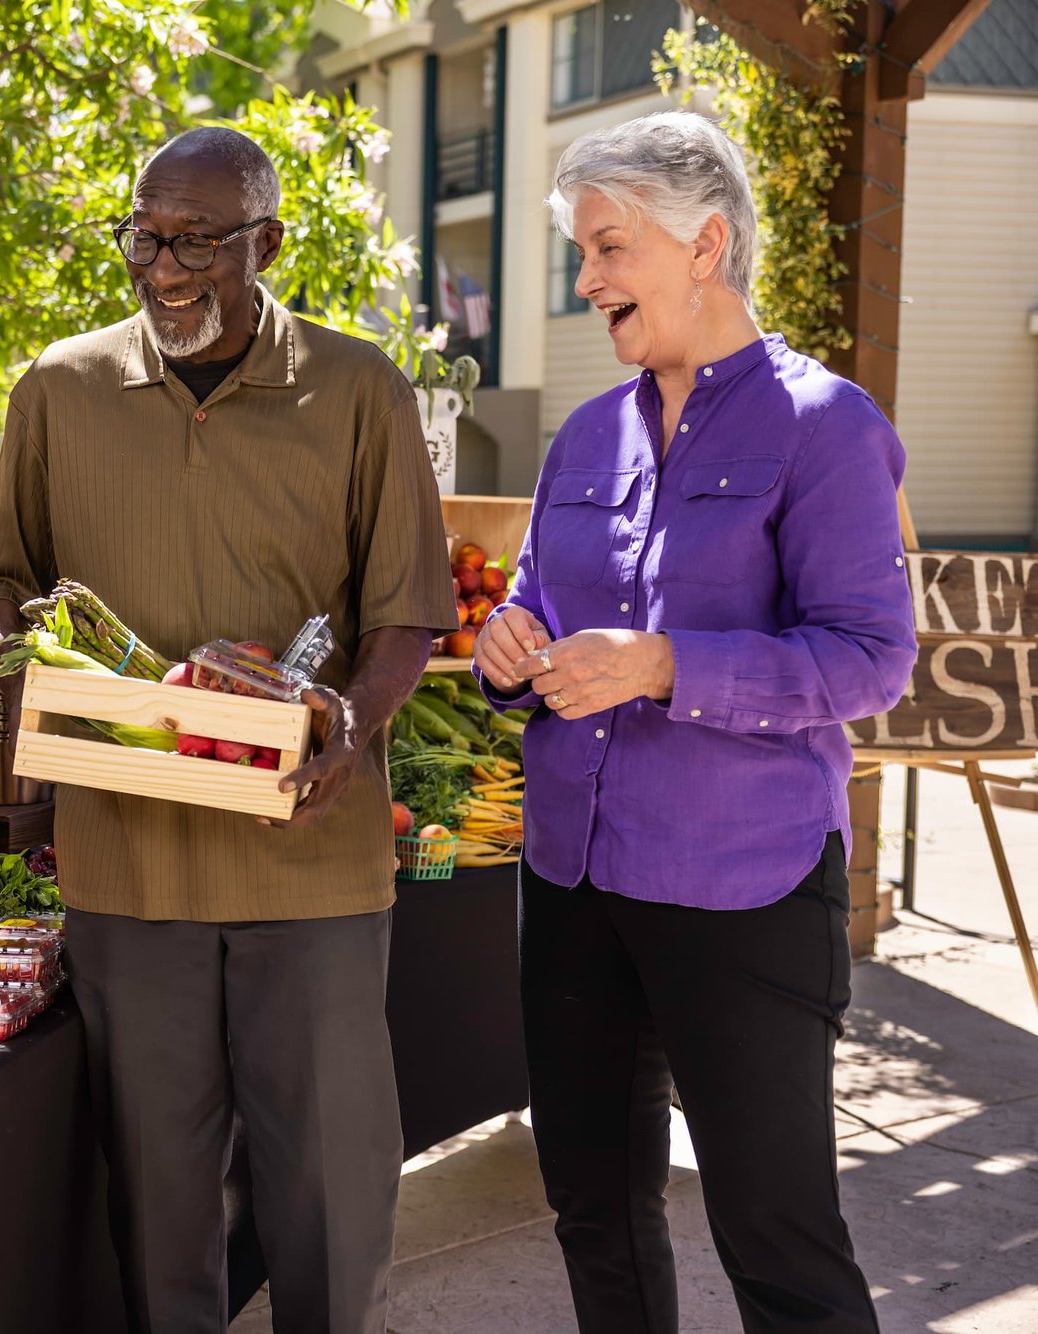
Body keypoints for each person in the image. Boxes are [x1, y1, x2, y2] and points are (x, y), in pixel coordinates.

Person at [0, 127, 454, 1333]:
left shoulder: (358, 389)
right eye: (145, 236)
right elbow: (0, 581)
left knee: (328, 1190)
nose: (164, 266)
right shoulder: (58, 388)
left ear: (267, 241)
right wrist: (3, 653)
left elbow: (405, 618)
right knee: (157, 1192)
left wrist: (349, 714)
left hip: (312, 857)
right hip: (128, 864)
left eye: (196, 239)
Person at [473, 110, 916, 1334]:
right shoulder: (582, 433)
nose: (586, 278)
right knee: (592, 1208)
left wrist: (664, 664)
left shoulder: (824, 428)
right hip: (570, 878)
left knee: (773, 1235)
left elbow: (870, 659)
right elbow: (526, 609)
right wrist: (502, 651)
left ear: (704, 242)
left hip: (745, 886)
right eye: (582, 249)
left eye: (608, 246)